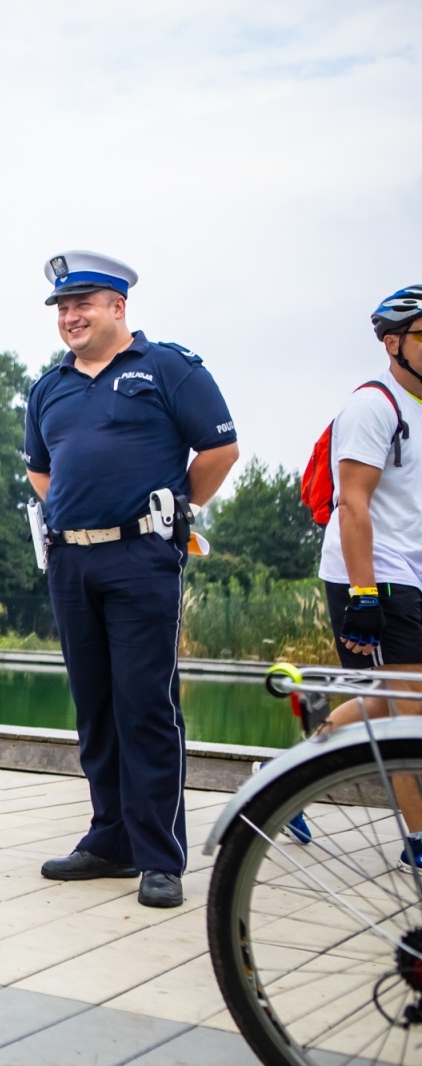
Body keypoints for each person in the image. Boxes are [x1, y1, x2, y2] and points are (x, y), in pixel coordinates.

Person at [23, 251, 238, 909]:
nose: (70, 316)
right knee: (96, 706)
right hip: (71, 562)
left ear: (118, 306)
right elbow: (40, 471)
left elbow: (220, 449)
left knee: (145, 704)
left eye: (82, 302)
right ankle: (109, 839)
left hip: (141, 557)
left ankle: (157, 855)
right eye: (62, 306)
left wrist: (169, 508)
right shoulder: (49, 387)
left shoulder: (166, 368)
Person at [306, 285, 422, 863]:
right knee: (408, 705)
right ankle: (420, 841)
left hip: (413, 573)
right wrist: (365, 595)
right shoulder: (373, 407)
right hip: (372, 572)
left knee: (390, 700)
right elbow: (353, 505)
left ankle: (285, 775)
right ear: (395, 343)